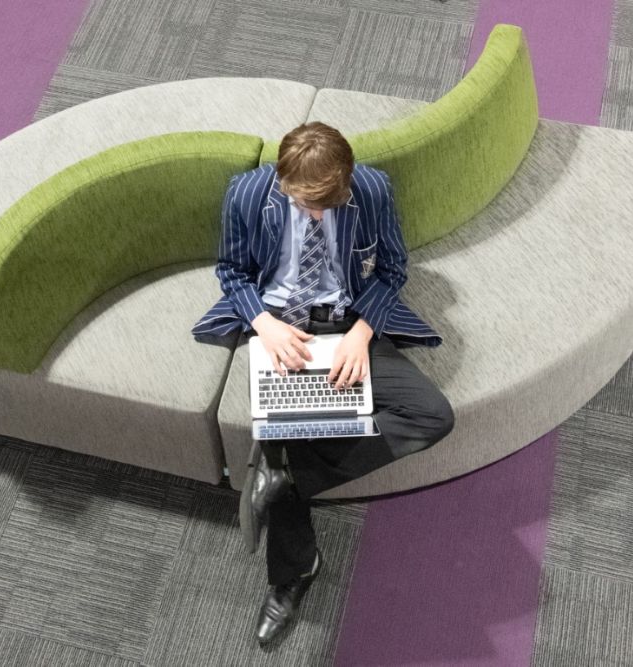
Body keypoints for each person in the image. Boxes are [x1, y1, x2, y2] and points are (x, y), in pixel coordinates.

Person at [191, 121, 455, 646]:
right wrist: (263, 325)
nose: (316, 215)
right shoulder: (247, 192)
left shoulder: (372, 189)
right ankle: (292, 574)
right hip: (280, 323)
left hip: (345, 320)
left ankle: (286, 479)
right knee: (290, 425)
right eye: (305, 203)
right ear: (282, 179)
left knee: (432, 415)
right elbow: (232, 271)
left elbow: (395, 269)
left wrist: (361, 333)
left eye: (327, 206)